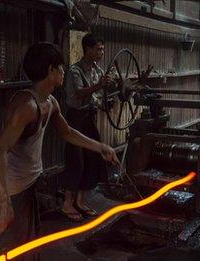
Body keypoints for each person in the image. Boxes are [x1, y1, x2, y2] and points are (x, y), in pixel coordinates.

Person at [0, 42, 119, 259]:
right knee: (14, 254)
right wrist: (3, 203)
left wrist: (100, 147)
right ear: (51, 70)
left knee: (31, 249)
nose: (64, 71)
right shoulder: (26, 107)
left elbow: (68, 132)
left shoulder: (50, 102)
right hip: (9, 190)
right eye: (61, 66)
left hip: (26, 185)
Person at [61, 33, 112, 222]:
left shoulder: (97, 70)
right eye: (98, 49)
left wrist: (106, 94)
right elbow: (79, 93)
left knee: (92, 158)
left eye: (102, 49)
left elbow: (97, 96)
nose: (101, 52)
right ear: (88, 49)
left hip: (89, 118)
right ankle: (67, 203)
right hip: (75, 119)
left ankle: (80, 202)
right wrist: (99, 85)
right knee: (76, 160)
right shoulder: (75, 71)